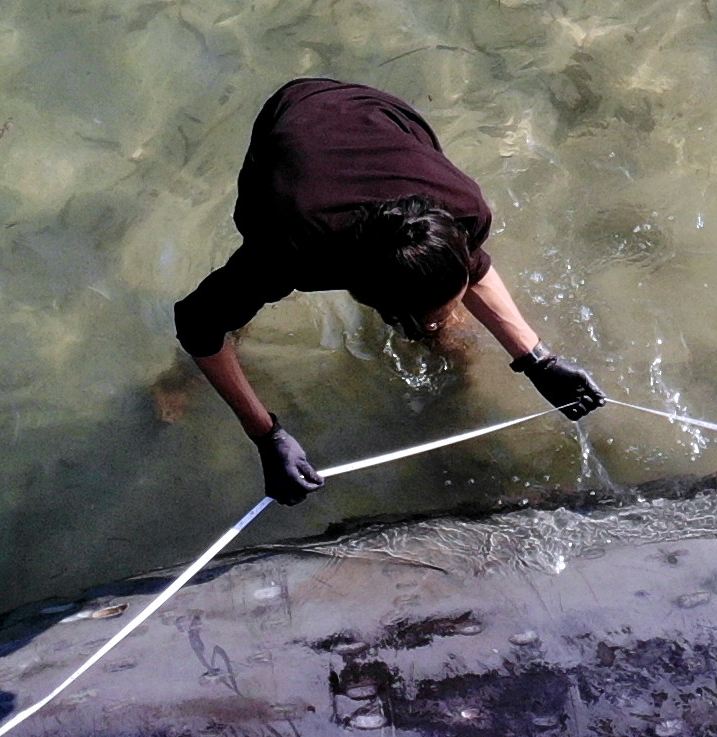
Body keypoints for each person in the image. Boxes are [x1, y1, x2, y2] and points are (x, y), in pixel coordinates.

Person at [172, 78, 604, 503]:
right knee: (225, 316)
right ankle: (188, 370)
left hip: (376, 113)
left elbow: (474, 268)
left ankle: (433, 326)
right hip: (295, 118)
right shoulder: (289, 248)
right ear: (367, 296)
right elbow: (194, 323)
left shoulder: (463, 209)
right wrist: (267, 435)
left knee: (436, 322)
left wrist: (537, 361)